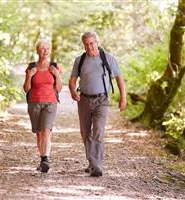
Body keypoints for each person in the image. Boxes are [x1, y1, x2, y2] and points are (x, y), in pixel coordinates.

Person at [69, 31, 126, 177]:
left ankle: (97, 166)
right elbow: (73, 80)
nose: (89, 47)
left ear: (97, 42)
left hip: (102, 100)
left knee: (98, 132)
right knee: (85, 133)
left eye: (91, 43)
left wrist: (123, 97)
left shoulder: (108, 58)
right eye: (86, 44)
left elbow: (119, 78)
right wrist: (73, 91)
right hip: (84, 100)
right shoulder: (80, 60)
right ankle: (91, 161)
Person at [23, 40, 62, 173]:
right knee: (39, 134)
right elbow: (26, 89)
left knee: (46, 131)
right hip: (34, 102)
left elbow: (59, 88)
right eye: (42, 48)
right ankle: (42, 159)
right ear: (37, 51)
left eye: (47, 48)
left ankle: (46, 159)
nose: (45, 51)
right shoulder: (31, 67)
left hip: (50, 103)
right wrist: (29, 76)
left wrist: (57, 75)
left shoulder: (54, 67)